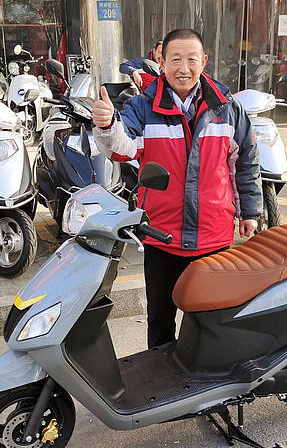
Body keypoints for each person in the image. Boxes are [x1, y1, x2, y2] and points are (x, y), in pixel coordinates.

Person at [93, 28, 262, 349]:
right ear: (161, 61)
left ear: (204, 61)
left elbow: (246, 163)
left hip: (213, 236)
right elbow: (122, 147)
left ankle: (206, 387)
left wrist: (250, 212)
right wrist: (106, 125)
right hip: (161, 236)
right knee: (160, 316)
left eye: (191, 60)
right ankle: (161, 385)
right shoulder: (143, 107)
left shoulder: (228, 108)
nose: (183, 68)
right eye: (175, 60)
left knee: (208, 318)